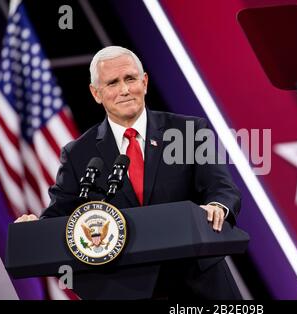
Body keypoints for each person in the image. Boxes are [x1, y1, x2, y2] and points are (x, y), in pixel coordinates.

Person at [15, 46, 242, 300]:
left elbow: (221, 188)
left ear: (144, 82)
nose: (124, 90)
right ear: (96, 93)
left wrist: (217, 206)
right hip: (128, 287)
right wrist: (35, 229)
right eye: (112, 83)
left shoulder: (187, 130)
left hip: (200, 282)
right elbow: (61, 214)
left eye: (130, 79)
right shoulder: (78, 153)